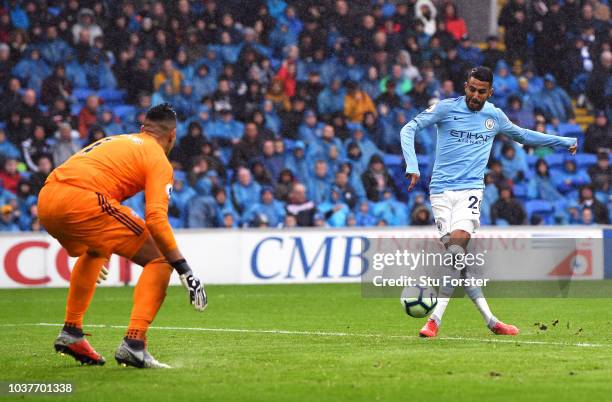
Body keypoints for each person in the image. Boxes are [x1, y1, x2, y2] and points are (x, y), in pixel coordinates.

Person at [400, 67, 576, 338]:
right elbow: (408, 128)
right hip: (440, 193)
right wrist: (413, 165)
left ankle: (434, 320)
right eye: (471, 89)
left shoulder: (493, 115)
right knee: (459, 261)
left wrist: (563, 141)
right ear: (465, 86)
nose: (475, 95)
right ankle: (492, 321)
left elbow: (524, 135)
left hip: (470, 191)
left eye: (481, 91)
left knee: (456, 251)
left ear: (490, 92)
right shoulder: (446, 109)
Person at [38, 104, 207, 369]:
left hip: (47, 197)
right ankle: (134, 344)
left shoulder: (117, 140)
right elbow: (156, 219)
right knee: (161, 259)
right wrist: (185, 269)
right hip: (83, 199)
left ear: (143, 129)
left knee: (96, 251)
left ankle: (72, 332)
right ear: (172, 135)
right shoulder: (158, 159)